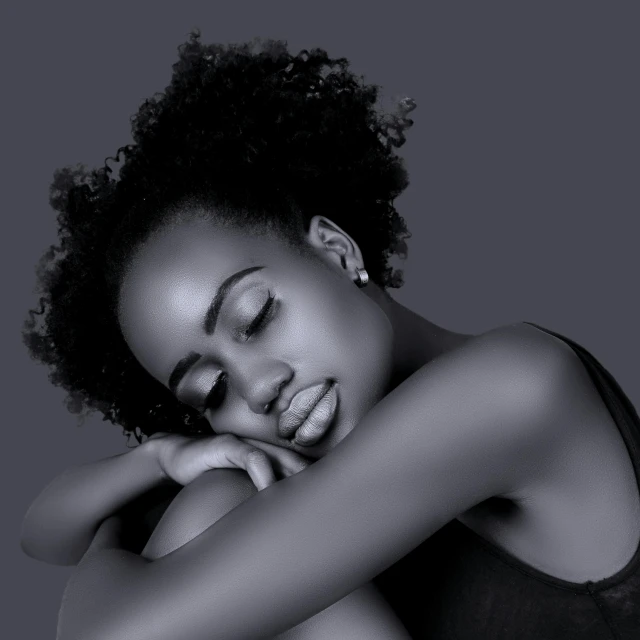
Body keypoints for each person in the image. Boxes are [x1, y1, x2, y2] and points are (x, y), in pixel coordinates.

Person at [21, 32, 640, 639]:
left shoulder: (514, 386)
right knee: (216, 499)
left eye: (256, 317)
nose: (258, 388)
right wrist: (158, 457)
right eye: (211, 390)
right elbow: (42, 533)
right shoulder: (335, 473)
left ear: (337, 252)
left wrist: (118, 536)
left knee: (213, 508)